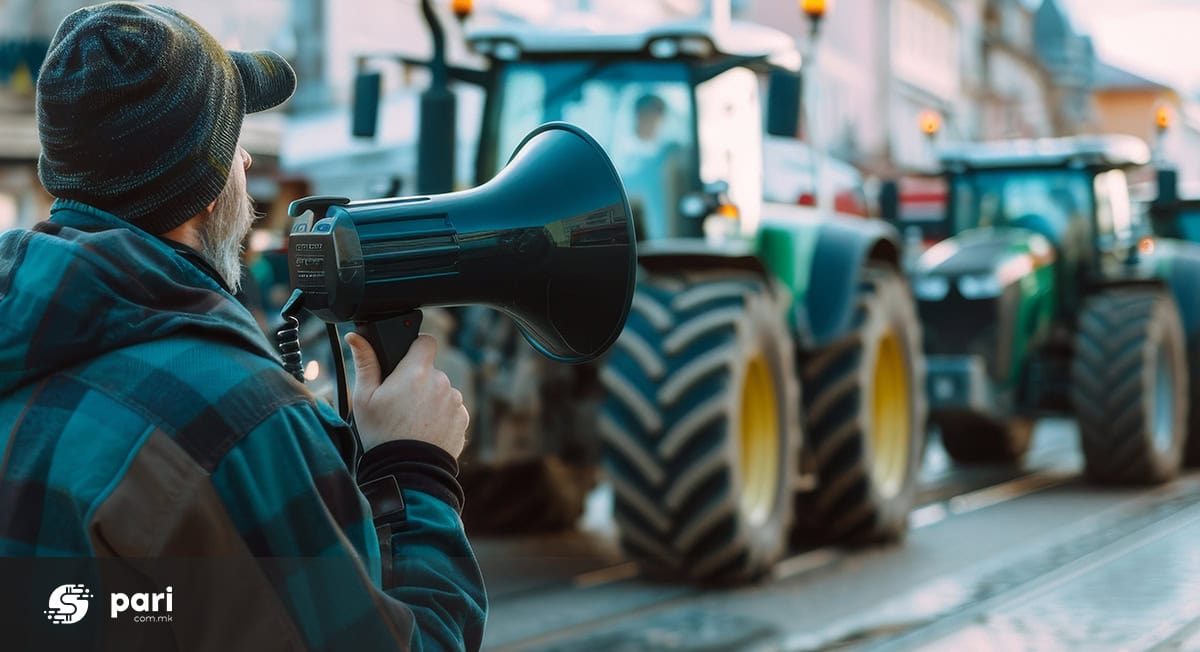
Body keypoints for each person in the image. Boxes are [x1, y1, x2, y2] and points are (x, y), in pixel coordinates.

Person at [0, 3, 484, 650]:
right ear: (205, 182)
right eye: (235, 144)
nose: (248, 165)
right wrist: (415, 464)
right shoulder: (233, 420)